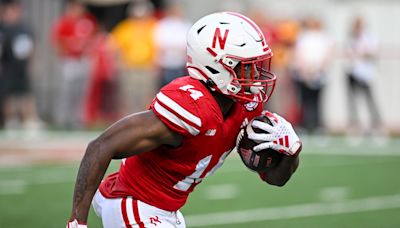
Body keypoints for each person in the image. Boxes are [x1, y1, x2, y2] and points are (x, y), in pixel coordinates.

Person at [67, 12, 302, 228]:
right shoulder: (190, 106)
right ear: (217, 66)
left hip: (166, 210)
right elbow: (100, 146)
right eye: (246, 68)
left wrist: (290, 151)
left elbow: (275, 179)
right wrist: (77, 222)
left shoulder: (246, 106)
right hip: (134, 202)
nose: (255, 76)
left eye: (257, 66)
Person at [51, 0, 97, 129]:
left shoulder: (87, 21)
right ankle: (63, 119)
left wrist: (89, 52)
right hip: (70, 60)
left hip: (83, 59)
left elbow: (92, 39)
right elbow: (58, 42)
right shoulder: (64, 22)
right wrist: (64, 55)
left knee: (81, 92)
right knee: (67, 91)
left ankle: (78, 120)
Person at [0, 0, 41, 130]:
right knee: (8, 95)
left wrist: (33, 63)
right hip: (8, 67)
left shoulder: (24, 28)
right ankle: (11, 120)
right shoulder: (3, 28)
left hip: (21, 67)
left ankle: (30, 119)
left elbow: (31, 47)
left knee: (25, 93)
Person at [291, 16, 333, 134]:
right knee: (304, 100)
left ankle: (317, 125)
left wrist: (318, 69)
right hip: (304, 73)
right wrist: (305, 70)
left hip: (319, 74)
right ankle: (304, 124)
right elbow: (298, 53)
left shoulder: (324, 37)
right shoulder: (303, 36)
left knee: (317, 101)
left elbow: (328, 54)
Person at [345, 16, 381, 135]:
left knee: (370, 100)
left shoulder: (369, 37)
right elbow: (349, 54)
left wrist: (361, 52)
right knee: (353, 101)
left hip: (366, 74)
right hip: (353, 72)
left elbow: (371, 52)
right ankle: (355, 125)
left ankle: (376, 124)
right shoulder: (352, 38)